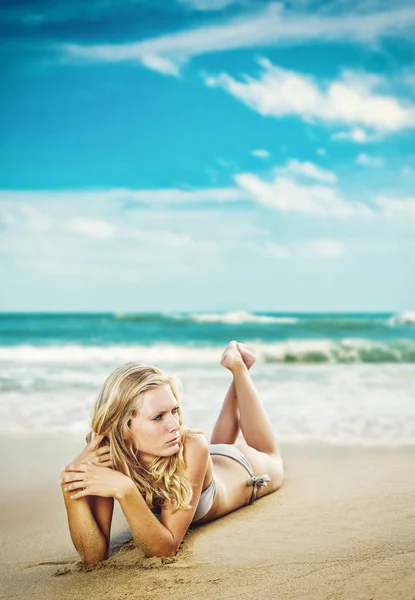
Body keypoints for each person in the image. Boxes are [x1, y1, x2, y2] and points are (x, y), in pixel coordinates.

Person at [59, 341, 284, 565]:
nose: (174, 424)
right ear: (123, 427)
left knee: (269, 453)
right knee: (214, 443)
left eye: (174, 410)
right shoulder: (106, 456)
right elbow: (93, 556)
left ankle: (239, 368)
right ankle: (238, 367)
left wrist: (125, 489)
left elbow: (166, 549)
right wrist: (71, 485)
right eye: (158, 417)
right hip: (201, 465)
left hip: (242, 468)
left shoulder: (192, 447)